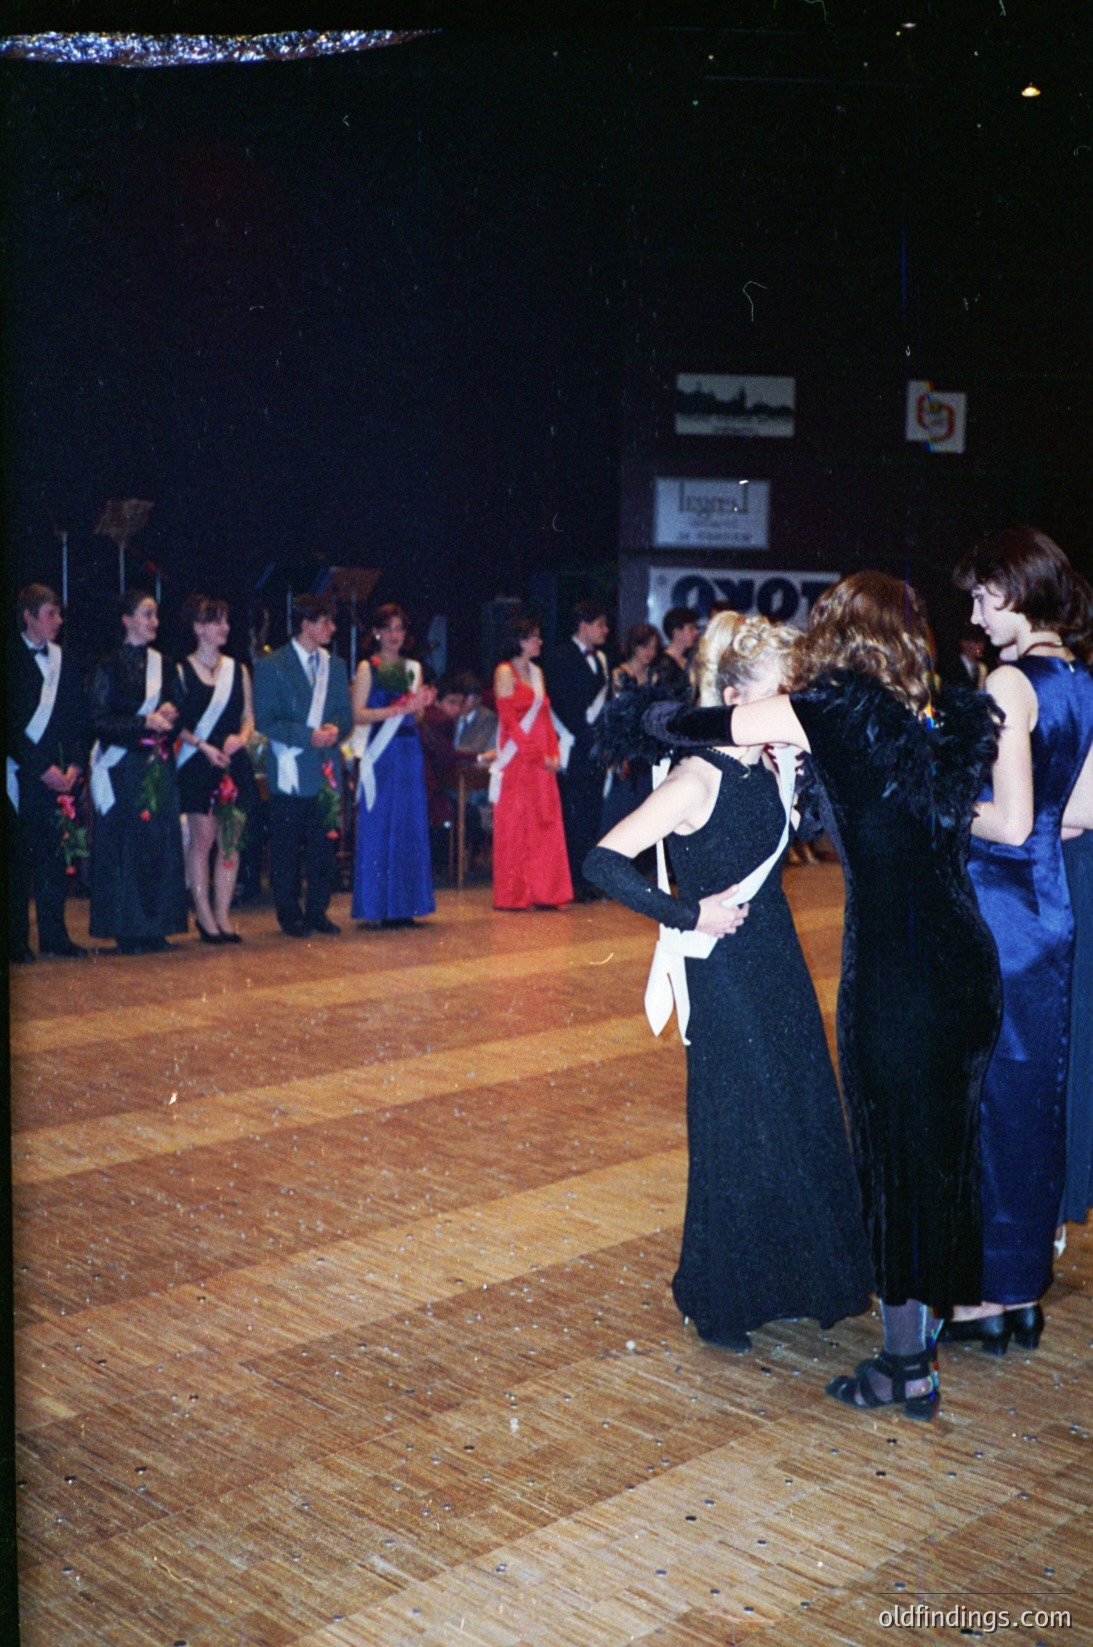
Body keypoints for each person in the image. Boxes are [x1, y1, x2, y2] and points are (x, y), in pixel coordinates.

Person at [645, 572, 1003, 1418]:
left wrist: (672, 718)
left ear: (839, 635)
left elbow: (695, 722)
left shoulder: (832, 711)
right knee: (943, 1154)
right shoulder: (940, 711)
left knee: (891, 1156)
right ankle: (923, 1339)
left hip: (896, 971)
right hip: (965, 963)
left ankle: (904, 1366)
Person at [584, 612, 873, 1350]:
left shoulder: (770, 765)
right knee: (740, 1122)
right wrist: (687, 910)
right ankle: (720, 1296)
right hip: (723, 972)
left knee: (798, 1106)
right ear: (736, 693)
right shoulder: (694, 777)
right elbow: (603, 861)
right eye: (781, 690)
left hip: (775, 957)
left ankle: (798, 1278)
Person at [939, 529, 1093, 1353]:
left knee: (987, 1101)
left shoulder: (1008, 680)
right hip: (1051, 911)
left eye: (980, 596)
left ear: (1016, 590)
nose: (972, 612)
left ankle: (981, 1301)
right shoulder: (1079, 677)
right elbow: (1079, 812)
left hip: (997, 911)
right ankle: (1018, 1288)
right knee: (1030, 1099)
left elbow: (1001, 820)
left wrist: (934, 797)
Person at [88, 589, 188, 954]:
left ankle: (158, 925)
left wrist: (171, 718)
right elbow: (98, 719)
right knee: (126, 846)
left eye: (156, 615)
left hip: (158, 764)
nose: (154, 623)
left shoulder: (165, 663)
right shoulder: (109, 665)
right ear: (127, 620)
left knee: (160, 844)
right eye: (147, 615)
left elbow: (179, 709)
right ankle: (127, 928)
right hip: (123, 764)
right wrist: (145, 720)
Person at [253, 593, 352, 937]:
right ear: (306, 624)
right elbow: (266, 720)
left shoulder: (334, 666)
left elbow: (345, 713)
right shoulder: (272, 665)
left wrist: (336, 728)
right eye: (326, 622)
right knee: (287, 846)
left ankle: (318, 910)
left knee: (323, 843)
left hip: (325, 769)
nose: (332, 628)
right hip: (290, 765)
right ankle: (289, 911)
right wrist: (307, 736)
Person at [7, 583, 90, 960]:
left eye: (58, 613)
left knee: (55, 859)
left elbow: (79, 718)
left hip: (61, 774)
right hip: (21, 775)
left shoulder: (64, 660)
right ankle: (15, 941)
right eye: (49, 614)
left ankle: (55, 937)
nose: (57, 621)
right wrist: (41, 768)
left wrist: (74, 764)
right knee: (18, 861)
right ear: (28, 616)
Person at [174, 595, 256, 944]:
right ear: (198, 627)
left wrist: (242, 737)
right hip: (198, 761)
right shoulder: (180, 671)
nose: (225, 628)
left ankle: (223, 914)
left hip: (232, 762)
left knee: (230, 839)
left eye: (225, 621)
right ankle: (204, 915)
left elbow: (248, 716)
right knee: (202, 839)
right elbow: (174, 724)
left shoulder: (238, 670)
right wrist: (202, 746)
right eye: (216, 621)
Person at [350, 603, 436, 926]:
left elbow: (418, 717)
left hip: (408, 750)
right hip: (381, 753)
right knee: (379, 822)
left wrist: (419, 705)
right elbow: (357, 713)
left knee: (408, 825)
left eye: (399, 628)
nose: (394, 635)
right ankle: (376, 907)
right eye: (388, 628)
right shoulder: (366, 668)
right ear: (376, 632)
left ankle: (405, 906)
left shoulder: (413, 668)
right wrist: (394, 711)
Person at [491, 616, 573, 911]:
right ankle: (514, 895)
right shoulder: (504, 671)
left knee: (545, 822)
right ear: (519, 641)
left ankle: (546, 892)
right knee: (516, 826)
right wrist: (537, 756)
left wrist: (553, 753)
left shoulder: (538, 673)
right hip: (518, 760)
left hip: (542, 762)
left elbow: (544, 718)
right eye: (533, 637)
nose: (539, 642)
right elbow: (509, 722)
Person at [545, 599, 610, 901]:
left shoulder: (602, 660)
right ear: (583, 625)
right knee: (573, 814)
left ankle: (586, 879)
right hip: (574, 744)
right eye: (600, 624)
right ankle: (570, 881)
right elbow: (563, 703)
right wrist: (587, 737)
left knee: (591, 813)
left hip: (595, 748)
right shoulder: (560, 656)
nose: (606, 630)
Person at [600, 623, 662, 837]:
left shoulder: (653, 676)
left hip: (645, 750)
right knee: (619, 809)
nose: (650, 653)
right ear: (634, 647)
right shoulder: (619, 674)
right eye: (645, 646)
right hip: (625, 750)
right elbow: (615, 717)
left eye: (653, 648)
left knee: (642, 809)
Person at [652, 606, 699, 692]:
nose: (696, 632)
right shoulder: (662, 663)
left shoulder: (690, 658)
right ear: (677, 632)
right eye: (691, 628)